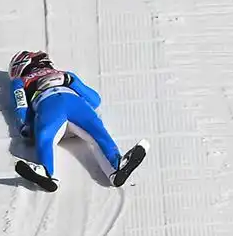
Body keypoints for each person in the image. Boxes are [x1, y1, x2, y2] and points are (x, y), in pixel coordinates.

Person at [8, 49, 147, 191]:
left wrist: (26, 125)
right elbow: (94, 100)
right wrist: (70, 81)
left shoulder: (20, 82)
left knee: (45, 135)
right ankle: (115, 166)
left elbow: (21, 106)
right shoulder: (64, 74)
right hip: (73, 104)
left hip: (48, 106)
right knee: (97, 131)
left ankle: (46, 172)